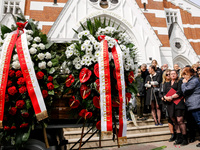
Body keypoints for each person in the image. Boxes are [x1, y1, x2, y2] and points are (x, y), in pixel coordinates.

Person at [163, 70, 187, 146]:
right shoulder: (167, 84)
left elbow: (179, 92)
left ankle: (185, 138)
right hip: (170, 104)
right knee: (174, 121)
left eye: (174, 74)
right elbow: (163, 93)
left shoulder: (179, 82)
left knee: (180, 120)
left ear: (177, 74)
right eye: (171, 74)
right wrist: (165, 97)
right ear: (169, 75)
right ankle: (179, 138)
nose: (173, 75)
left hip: (178, 103)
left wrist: (171, 97)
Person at [181, 67, 200, 147]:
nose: (184, 77)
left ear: (188, 74)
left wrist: (184, 83)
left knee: (199, 122)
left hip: (195, 104)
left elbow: (186, 90)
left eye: (184, 75)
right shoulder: (191, 80)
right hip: (191, 105)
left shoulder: (194, 81)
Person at [160, 69, 176, 142]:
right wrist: (163, 97)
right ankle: (172, 134)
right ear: (164, 76)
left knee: (174, 117)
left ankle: (177, 132)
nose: (168, 76)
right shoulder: (162, 84)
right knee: (169, 118)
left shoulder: (173, 82)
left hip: (173, 101)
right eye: (167, 74)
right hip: (165, 102)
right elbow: (160, 93)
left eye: (169, 74)